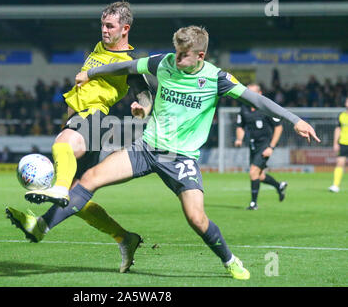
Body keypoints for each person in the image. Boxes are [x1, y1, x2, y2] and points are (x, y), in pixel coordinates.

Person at [19, 25, 320, 280]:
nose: (176, 59)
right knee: (90, 178)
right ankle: (41, 226)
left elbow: (258, 100)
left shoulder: (217, 79)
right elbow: (125, 66)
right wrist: (93, 73)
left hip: (180, 159)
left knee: (196, 219)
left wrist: (295, 121)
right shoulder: (163, 62)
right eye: (175, 52)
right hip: (147, 147)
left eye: (183, 55)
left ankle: (229, 260)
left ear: (200, 55)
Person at [6, 1, 155, 273]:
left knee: (62, 146)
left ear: (125, 29)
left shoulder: (129, 63)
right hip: (81, 119)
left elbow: (144, 94)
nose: (104, 30)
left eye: (110, 26)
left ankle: (55, 194)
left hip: (94, 116)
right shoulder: (99, 49)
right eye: (102, 24)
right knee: (79, 194)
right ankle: (125, 237)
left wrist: (142, 109)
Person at [234, 83, 288, 210]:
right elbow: (240, 126)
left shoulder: (266, 109)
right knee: (260, 175)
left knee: (253, 172)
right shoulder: (244, 108)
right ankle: (279, 186)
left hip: (265, 144)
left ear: (259, 94)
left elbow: (279, 128)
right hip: (252, 144)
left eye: (252, 93)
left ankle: (253, 204)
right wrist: (239, 139)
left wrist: (271, 147)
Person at [329, 96, 348, 193]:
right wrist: (335, 143)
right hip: (344, 143)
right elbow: (338, 129)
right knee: (340, 163)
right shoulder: (341, 115)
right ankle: (335, 185)